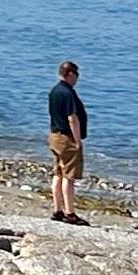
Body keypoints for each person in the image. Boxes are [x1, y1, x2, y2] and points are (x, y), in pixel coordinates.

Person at [48, 60, 89, 225]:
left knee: (58, 173)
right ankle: (70, 212)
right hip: (66, 138)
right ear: (70, 74)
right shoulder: (68, 93)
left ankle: (57, 209)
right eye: (77, 75)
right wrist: (77, 140)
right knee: (69, 176)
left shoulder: (54, 91)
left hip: (54, 135)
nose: (78, 79)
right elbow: (72, 118)